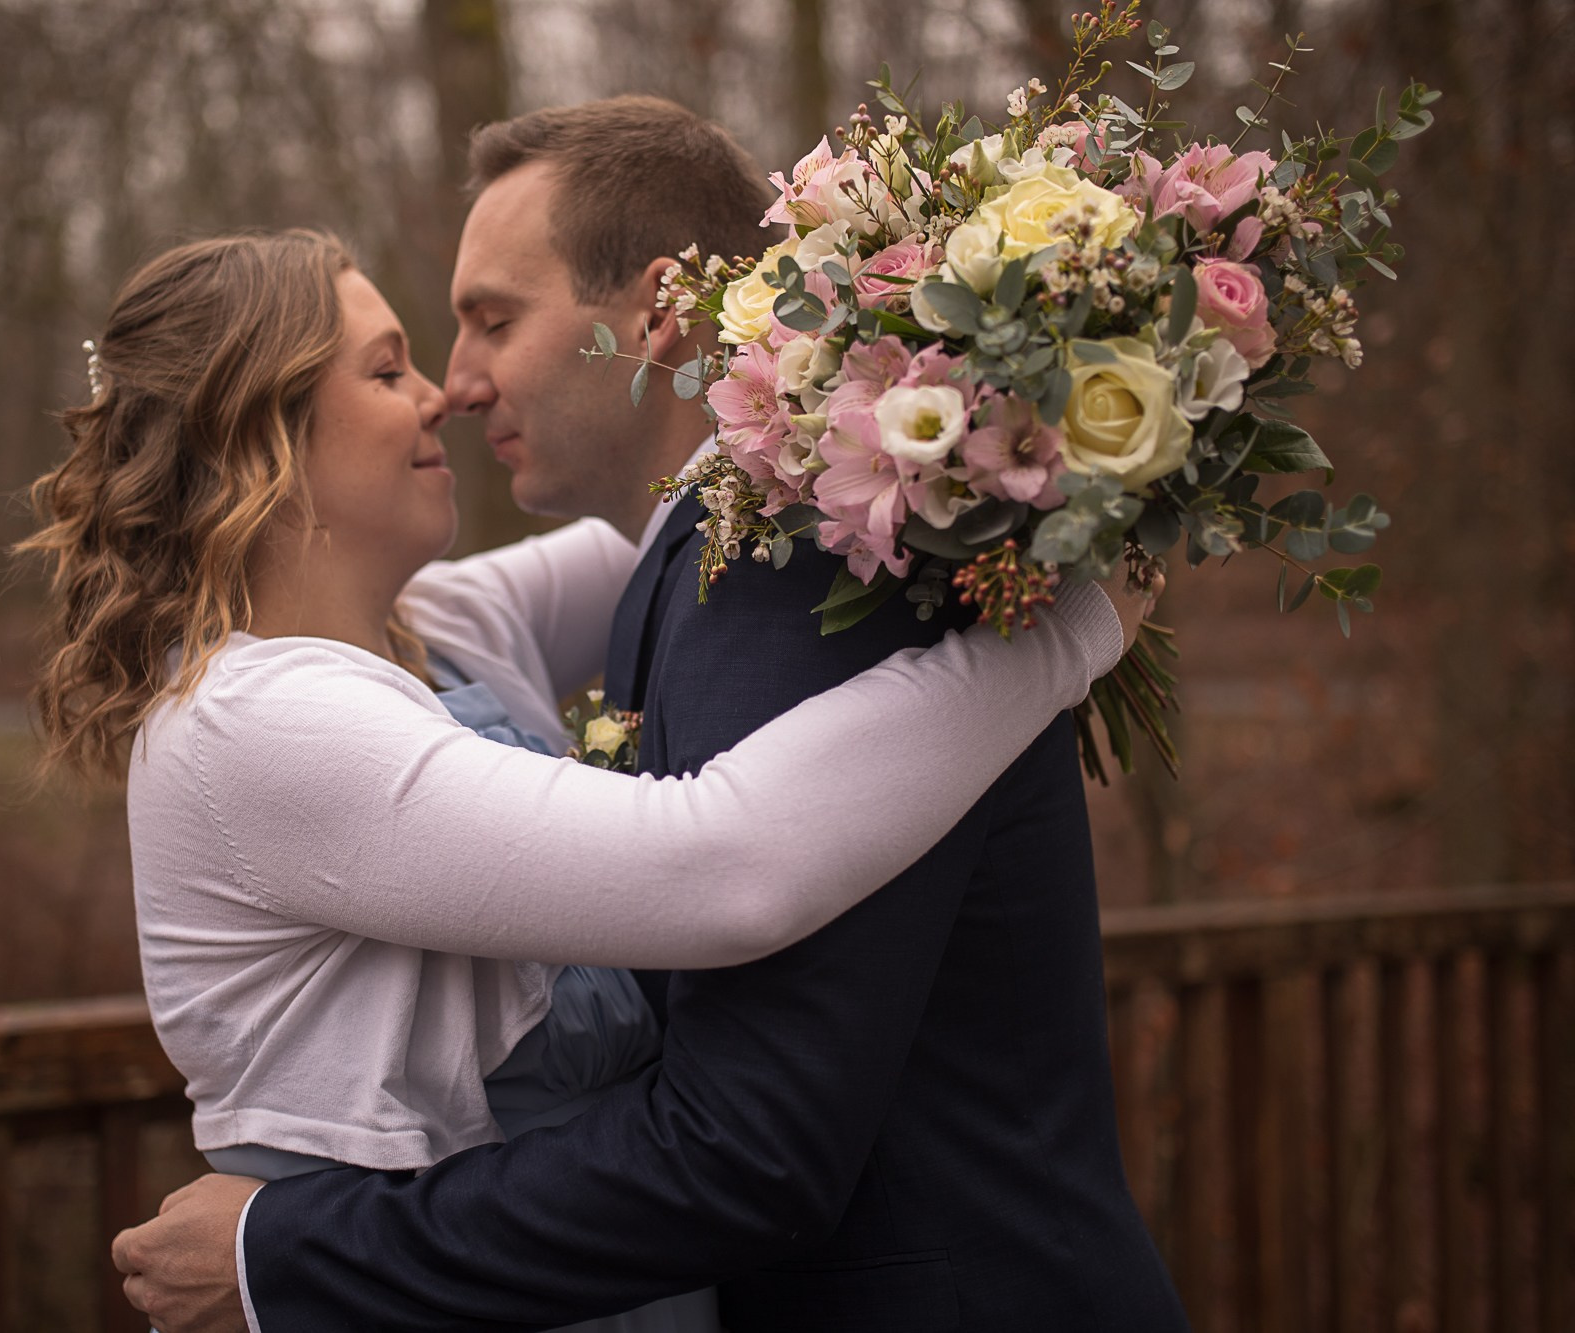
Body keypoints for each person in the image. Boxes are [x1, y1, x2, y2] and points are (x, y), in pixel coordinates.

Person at [112, 98, 1190, 1333]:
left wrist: (952, 422)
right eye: (392, 362)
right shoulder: (261, 716)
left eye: (487, 323)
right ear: (259, 437)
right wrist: (1070, 631)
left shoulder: (748, 560)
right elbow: (717, 857)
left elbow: (669, 507)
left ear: (659, 310)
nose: (448, 392)